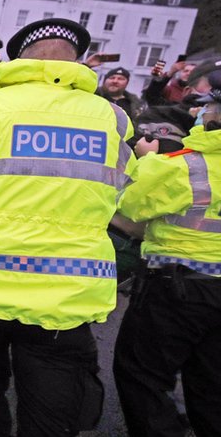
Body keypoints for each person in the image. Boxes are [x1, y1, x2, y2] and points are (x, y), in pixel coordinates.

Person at [0, 18, 137, 436]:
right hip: (66, 295)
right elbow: (123, 195)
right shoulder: (112, 119)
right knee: (50, 415)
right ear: (76, 59)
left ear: (20, 58)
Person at [113, 71, 221, 437]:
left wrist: (146, 158)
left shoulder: (185, 166)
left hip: (179, 287)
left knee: (143, 375)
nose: (200, 114)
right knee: (210, 385)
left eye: (206, 106)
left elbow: (130, 204)